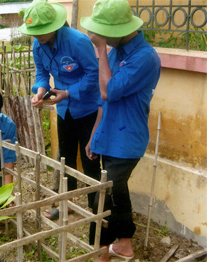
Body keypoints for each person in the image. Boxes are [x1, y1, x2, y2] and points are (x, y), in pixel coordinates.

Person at [81, 0, 161, 261]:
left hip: (128, 139)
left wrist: (101, 49)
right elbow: (103, 102)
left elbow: (108, 90)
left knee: (103, 196)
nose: (99, 37)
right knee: (116, 191)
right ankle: (124, 243)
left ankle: (101, 251)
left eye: (103, 33)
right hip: (108, 134)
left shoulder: (145, 57)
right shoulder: (115, 52)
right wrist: (95, 134)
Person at [18, 0, 102, 220]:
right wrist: (40, 92)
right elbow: (41, 74)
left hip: (87, 109)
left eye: (41, 32)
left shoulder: (78, 41)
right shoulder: (38, 44)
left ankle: (97, 210)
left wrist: (68, 92)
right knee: (65, 159)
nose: (37, 37)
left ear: (54, 25)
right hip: (63, 110)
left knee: (90, 159)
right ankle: (68, 203)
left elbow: (94, 75)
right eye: (33, 33)